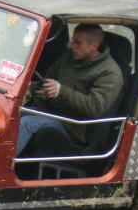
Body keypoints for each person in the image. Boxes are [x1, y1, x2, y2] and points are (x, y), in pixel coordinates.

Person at [16, 24, 123, 156]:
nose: (72, 46)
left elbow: (95, 107)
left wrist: (60, 92)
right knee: (12, 116)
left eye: (78, 43)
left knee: (26, 124)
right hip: (50, 112)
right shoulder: (70, 57)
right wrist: (41, 89)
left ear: (94, 46)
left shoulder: (110, 72)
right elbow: (49, 77)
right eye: (73, 41)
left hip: (72, 126)